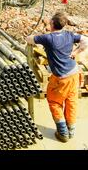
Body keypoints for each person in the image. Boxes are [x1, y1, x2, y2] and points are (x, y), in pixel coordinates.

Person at [26, 13, 88, 143]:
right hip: (74, 73)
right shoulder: (70, 35)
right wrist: (75, 52)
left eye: (50, 22)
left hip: (61, 77)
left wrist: (39, 35)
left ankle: (63, 132)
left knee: (54, 102)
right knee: (71, 101)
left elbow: (29, 39)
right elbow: (85, 40)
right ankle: (71, 130)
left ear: (53, 24)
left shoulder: (48, 38)